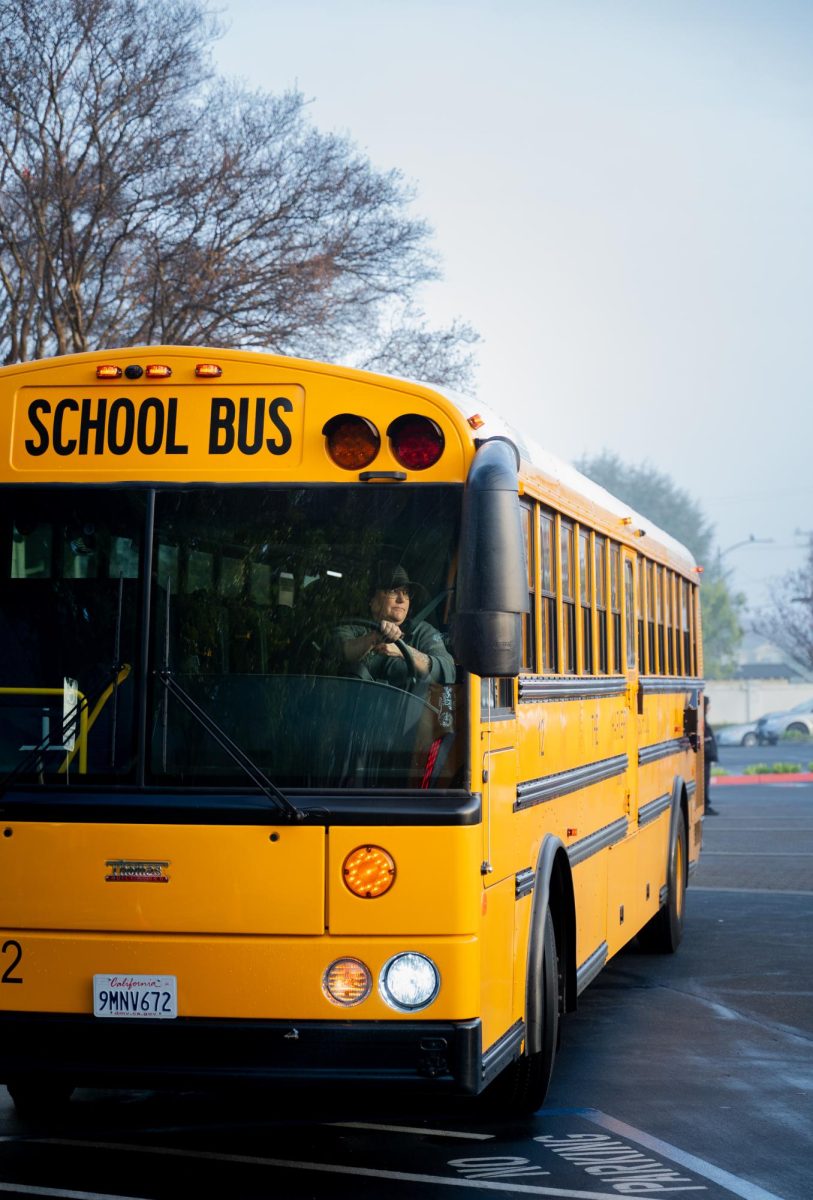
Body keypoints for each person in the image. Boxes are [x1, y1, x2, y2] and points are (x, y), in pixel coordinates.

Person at [335, 563, 455, 687]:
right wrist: (373, 638)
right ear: (372, 599)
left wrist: (404, 651)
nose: (402, 599)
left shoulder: (423, 632)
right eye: (393, 591)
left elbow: (448, 671)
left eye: (406, 592)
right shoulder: (351, 626)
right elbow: (339, 653)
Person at [703, 695, 719, 815]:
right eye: (707, 705)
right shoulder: (701, 722)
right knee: (703, 783)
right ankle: (705, 806)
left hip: (706, 758)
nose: (709, 708)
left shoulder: (703, 720)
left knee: (705, 782)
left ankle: (706, 804)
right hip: (704, 758)